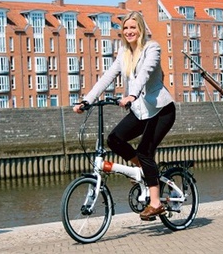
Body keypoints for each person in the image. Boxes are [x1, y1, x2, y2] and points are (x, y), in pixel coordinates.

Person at [73, 11, 175, 221]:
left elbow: (145, 73)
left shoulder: (152, 48)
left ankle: (155, 203)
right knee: (114, 139)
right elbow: (107, 77)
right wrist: (87, 100)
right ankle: (145, 172)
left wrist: (131, 95)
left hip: (161, 109)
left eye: (133, 28)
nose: (129, 32)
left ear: (141, 29)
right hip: (141, 110)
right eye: (126, 28)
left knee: (145, 152)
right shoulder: (123, 53)